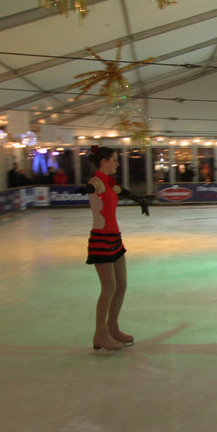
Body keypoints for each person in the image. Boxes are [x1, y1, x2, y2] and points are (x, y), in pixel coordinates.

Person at [83, 147, 149, 353]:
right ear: (103, 161)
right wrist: (85, 189)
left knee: (121, 285)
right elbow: (92, 187)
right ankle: (100, 333)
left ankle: (112, 327)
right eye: (114, 160)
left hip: (115, 239)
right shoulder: (97, 182)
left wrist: (140, 200)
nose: (117, 164)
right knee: (109, 287)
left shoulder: (109, 183)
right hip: (101, 240)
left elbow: (122, 192)